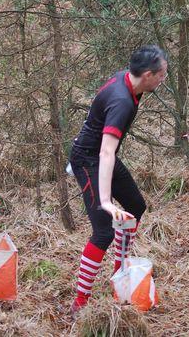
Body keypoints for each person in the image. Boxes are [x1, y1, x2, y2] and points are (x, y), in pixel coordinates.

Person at [68, 45, 168, 313]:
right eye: (161, 75)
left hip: (100, 155)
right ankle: (80, 302)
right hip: (88, 159)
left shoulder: (127, 79)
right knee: (103, 232)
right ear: (147, 74)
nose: (163, 80)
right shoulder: (123, 102)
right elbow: (106, 151)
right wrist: (106, 201)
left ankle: (119, 276)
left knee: (136, 207)